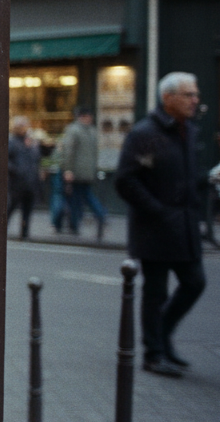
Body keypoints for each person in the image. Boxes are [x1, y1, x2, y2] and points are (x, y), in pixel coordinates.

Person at [115, 72, 207, 378]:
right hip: (155, 228)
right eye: (188, 95)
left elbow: (187, 177)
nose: (195, 100)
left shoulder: (189, 131)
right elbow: (125, 180)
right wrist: (158, 210)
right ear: (168, 98)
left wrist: (210, 180)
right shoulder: (145, 133)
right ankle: (153, 354)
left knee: (195, 282)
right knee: (155, 292)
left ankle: (163, 336)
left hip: (185, 227)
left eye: (195, 95)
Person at [59, 106, 108, 239]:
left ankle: (78, 223)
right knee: (86, 196)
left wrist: (68, 169)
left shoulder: (73, 130)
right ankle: (100, 215)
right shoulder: (92, 131)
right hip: (88, 172)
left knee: (76, 199)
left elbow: (68, 151)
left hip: (76, 171)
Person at [7, 116, 40, 239]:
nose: (24, 129)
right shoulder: (12, 141)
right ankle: (1, 231)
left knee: (27, 209)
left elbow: (36, 158)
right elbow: (6, 160)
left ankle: (24, 233)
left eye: (25, 126)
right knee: (11, 207)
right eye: (21, 126)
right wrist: (15, 171)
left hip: (30, 182)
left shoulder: (30, 142)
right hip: (17, 182)